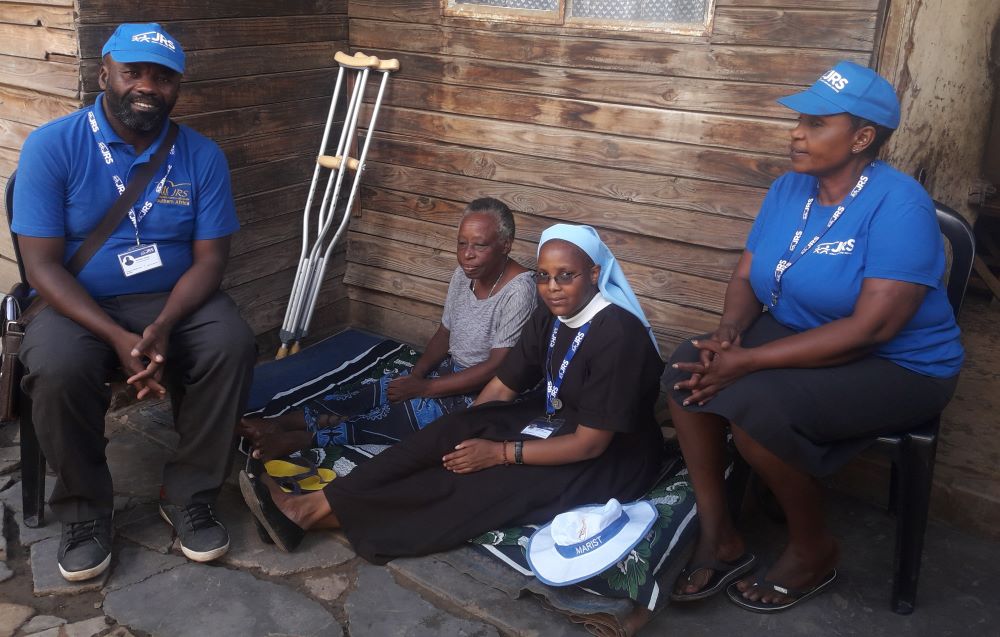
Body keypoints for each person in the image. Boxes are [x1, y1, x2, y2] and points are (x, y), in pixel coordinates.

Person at [662, 61, 963, 612]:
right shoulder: (788, 189)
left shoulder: (900, 205)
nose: (796, 132)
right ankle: (720, 535)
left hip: (900, 363)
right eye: (800, 119)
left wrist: (749, 364)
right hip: (802, 330)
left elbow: (873, 328)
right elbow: (746, 276)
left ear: (863, 138)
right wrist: (730, 336)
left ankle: (812, 548)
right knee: (687, 367)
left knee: (757, 407)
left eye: (817, 123)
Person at [240, 224, 666, 563]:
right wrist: (465, 428)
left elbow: (591, 443)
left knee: (487, 480)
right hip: (553, 418)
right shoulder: (551, 313)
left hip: (609, 455)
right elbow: (506, 382)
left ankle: (307, 514)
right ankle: (314, 505)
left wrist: (497, 453)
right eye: (544, 276)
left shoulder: (618, 335)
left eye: (566, 276)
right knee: (447, 438)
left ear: (594, 274)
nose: (552, 286)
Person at [12, 23, 256, 581]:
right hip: (78, 301)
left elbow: (210, 262)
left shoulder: (202, 155)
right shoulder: (53, 145)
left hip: (171, 300)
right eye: (133, 72)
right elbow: (41, 267)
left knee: (230, 344)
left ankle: (189, 494)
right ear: (104, 74)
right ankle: (85, 512)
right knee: (56, 365)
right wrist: (117, 337)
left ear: (177, 87)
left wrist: (165, 324)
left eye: (163, 76)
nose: (147, 85)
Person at [238, 198, 536, 458]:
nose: (467, 254)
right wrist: (415, 375)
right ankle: (286, 421)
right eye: (462, 243)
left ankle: (306, 438)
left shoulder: (519, 290)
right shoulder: (464, 274)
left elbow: (498, 366)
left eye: (480, 245)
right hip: (451, 370)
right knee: (381, 391)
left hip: (488, 390)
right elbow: (445, 333)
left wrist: (426, 387)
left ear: (505, 245)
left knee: (408, 417)